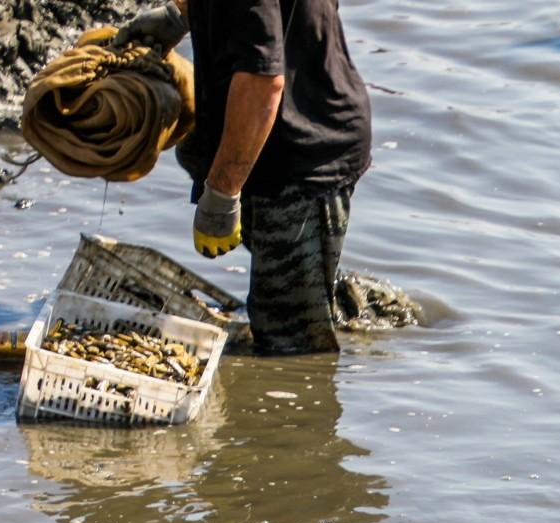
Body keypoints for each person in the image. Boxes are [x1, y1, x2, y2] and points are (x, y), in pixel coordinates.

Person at [104, 0, 370, 355]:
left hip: (301, 158)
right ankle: (333, 302)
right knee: (290, 297)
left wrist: (222, 193)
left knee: (289, 346)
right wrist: (181, 14)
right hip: (280, 133)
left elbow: (262, 82)